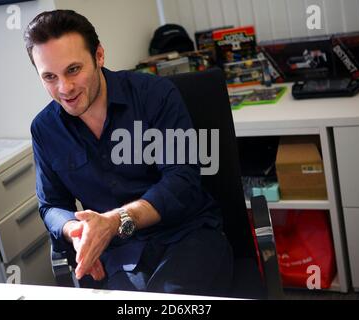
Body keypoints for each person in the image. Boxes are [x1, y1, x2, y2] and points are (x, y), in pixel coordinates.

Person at [24, 9, 233, 296]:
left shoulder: (156, 94)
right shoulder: (44, 129)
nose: (65, 88)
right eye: (49, 76)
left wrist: (114, 222)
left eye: (73, 70)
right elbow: (51, 206)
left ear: (99, 56)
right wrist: (76, 232)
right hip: (119, 256)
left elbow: (182, 179)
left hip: (186, 235)